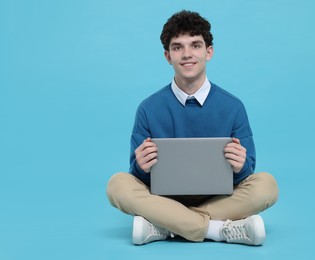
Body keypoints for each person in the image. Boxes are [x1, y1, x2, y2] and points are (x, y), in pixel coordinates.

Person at [106, 10, 279, 246]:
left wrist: (240, 166)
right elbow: (137, 176)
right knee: (117, 184)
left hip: (218, 198)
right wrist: (141, 166)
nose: (187, 54)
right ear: (168, 56)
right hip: (164, 197)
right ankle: (218, 229)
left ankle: (166, 225)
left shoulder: (233, 107)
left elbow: (247, 173)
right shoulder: (148, 108)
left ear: (209, 52)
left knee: (267, 185)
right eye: (177, 47)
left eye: (195, 45)